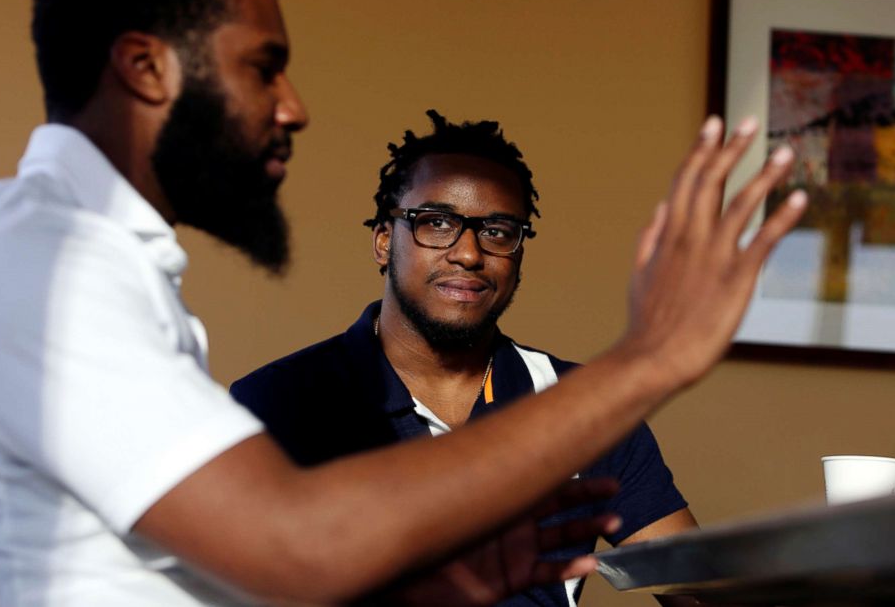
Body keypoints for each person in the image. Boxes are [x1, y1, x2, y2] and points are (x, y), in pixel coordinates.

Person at [0, 0, 807, 605]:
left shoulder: (80, 266)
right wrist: (648, 359)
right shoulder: (45, 271)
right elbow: (296, 548)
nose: (294, 107)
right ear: (147, 70)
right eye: (263, 68)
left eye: (498, 232)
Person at [231, 110, 697, 606]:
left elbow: (693, 584)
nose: (469, 254)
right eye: (436, 223)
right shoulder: (277, 401)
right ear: (384, 241)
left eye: (497, 231)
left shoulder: (586, 407)